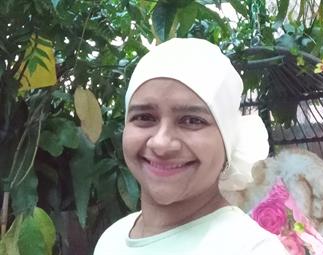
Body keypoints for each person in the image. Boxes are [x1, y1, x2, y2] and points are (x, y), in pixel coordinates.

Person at [94, 38, 288, 255]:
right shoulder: (111, 240)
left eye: (192, 120)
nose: (161, 143)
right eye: (144, 117)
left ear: (227, 140)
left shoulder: (250, 249)